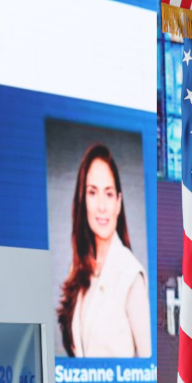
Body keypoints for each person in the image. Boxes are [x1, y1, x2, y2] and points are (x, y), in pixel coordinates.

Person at [55, 144, 151, 358]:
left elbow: (149, 368)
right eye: (92, 192)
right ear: (83, 200)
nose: (101, 206)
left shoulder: (130, 274)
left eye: (108, 194)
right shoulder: (78, 270)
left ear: (118, 202)